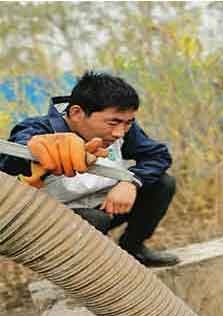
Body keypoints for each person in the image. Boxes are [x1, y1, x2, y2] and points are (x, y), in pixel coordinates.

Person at [0, 71, 180, 267]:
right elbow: (12, 158)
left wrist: (132, 182)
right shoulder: (37, 129)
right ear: (77, 113)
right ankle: (82, 272)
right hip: (54, 222)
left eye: (127, 123)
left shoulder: (121, 127)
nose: (120, 133)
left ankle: (133, 248)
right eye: (113, 123)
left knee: (163, 184)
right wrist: (39, 149)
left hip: (104, 205)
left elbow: (158, 155)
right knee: (95, 220)